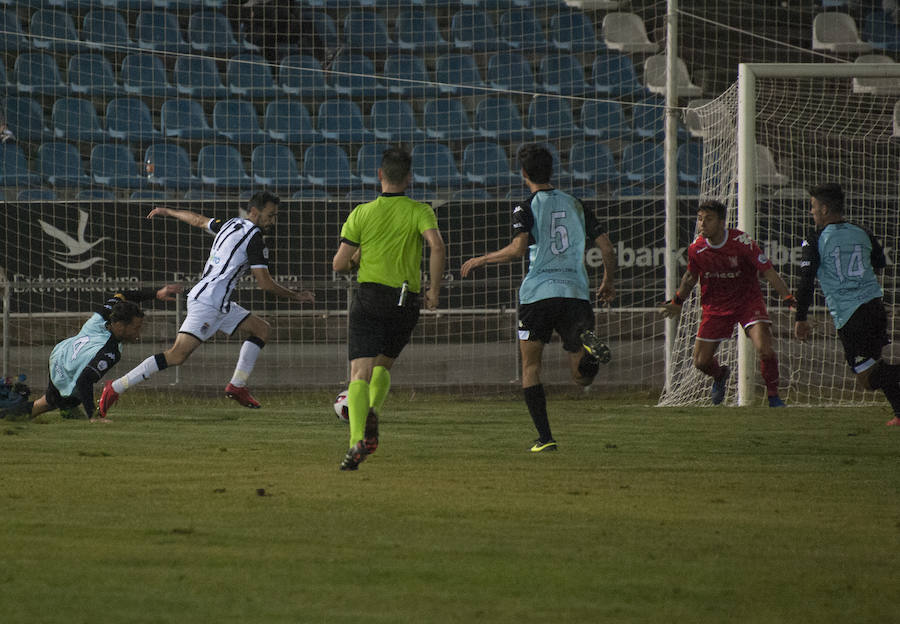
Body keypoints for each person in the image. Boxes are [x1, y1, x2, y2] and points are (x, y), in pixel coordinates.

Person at [98, 191, 314, 416]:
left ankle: (237, 386)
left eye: (275, 215)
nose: (273, 221)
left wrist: (168, 211)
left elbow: (198, 220)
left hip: (218, 301)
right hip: (209, 302)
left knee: (261, 329)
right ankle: (115, 387)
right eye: (270, 215)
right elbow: (265, 284)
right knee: (176, 355)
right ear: (253, 212)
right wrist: (296, 296)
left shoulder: (230, 224)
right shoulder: (255, 240)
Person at [461, 143, 616, 453]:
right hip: (575, 294)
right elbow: (607, 248)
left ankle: (545, 438)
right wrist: (608, 281)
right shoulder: (575, 203)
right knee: (581, 379)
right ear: (552, 171)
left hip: (537, 297)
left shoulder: (526, 206)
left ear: (523, 174)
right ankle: (587, 350)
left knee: (530, 367)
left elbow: (518, 249)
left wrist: (482, 259)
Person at [331, 146, 446, 471]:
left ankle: (356, 440)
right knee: (382, 368)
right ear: (409, 178)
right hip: (405, 301)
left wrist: (355, 260)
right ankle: (372, 411)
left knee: (358, 374)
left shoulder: (362, 213)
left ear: (380, 175)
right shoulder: (420, 210)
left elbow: (339, 264)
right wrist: (433, 291)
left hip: (370, 299)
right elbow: (437, 246)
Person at [659, 200, 794, 407]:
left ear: (722, 222)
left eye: (708, 219)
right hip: (716, 307)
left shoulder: (742, 242)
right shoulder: (697, 248)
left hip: (747, 302)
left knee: (765, 349)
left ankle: (773, 397)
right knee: (701, 362)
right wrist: (678, 300)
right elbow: (689, 277)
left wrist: (789, 300)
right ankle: (720, 374)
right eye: (700, 219)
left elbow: (768, 271)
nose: (702, 224)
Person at [795, 183, 900, 426]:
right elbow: (879, 262)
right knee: (875, 367)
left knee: (867, 378)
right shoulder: (861, 231)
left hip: (852, 314)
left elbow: (806, 280)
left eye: (812, 207)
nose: (811, 212)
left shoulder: (817, 238)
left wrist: (800, 317)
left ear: (824, 209)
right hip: (875, 306)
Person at [0, 286, 181, 422]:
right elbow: (84, 381)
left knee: (48, 402)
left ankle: (66, 407)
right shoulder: (110, 352)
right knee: (49, 402)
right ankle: (65, 407)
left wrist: (156, 293)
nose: (138, 334)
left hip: (61, 353)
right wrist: (94, 416)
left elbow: (124, 293)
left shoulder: (108, 312)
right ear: (120, 326)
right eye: (136, 328)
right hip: (64, 373)